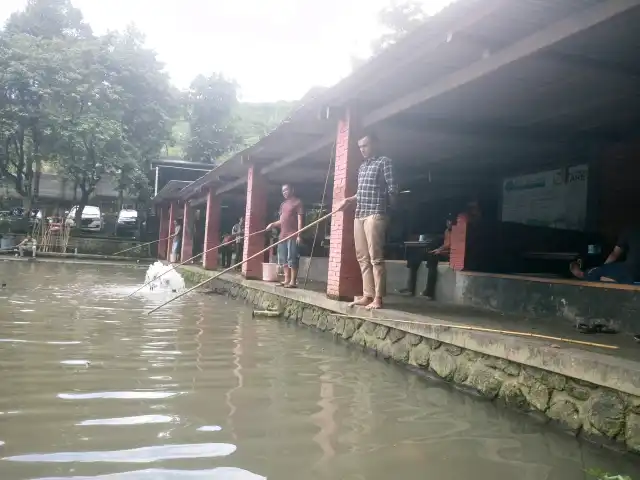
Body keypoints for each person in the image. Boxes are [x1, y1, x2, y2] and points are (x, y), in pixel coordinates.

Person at [336, 132, 397, 310]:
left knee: (375, 258)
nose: (362, 149)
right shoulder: (362, 167)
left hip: (376, 213)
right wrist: (349, 199)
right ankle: (367, 295)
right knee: (362, 257)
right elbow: (362, 192)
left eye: (366, 146)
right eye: (360, 147)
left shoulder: (384, 162)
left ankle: (378, 298)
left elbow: (393, 189)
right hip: (360, 213)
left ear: (375, 144)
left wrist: (389, 213)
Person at [401, 216, 453, 298]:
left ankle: (429, 290)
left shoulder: (456, 231)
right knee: (414, 259)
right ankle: (411, 288)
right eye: (448, 221)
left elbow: (450, 245)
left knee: (432, 260)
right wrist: (438, 249)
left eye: (450, 222)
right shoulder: (447, 231)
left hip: (448, 254)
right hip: (441, 251)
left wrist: (439, 250)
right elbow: (445, 244)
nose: (449, 223)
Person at [570, 227, 640, 284]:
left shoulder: (631, 230)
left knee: (595, 272)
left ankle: (583, 274)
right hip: (633, 274)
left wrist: (603, 269)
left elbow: (614, 254)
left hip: (632, 271)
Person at [267, 183, 304, 288]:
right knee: (283, 259)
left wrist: (299, 235)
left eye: (287, 190)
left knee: (292, 258)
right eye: (283, 191)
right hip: (282, 236)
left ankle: (293, 281)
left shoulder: (297, 202)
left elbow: (300, 220)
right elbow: (282, 221)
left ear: (292, 189)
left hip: (292, 235)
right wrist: (273, 224)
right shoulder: (283, 205)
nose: (285, 192)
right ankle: (286, 280)